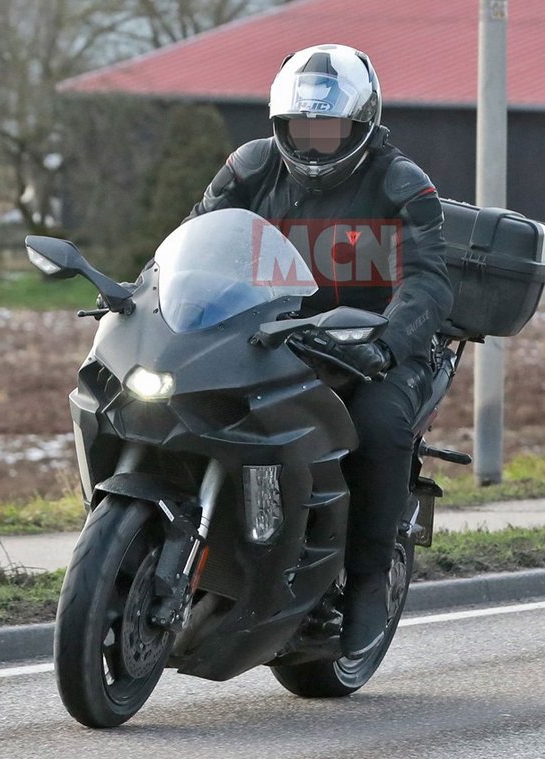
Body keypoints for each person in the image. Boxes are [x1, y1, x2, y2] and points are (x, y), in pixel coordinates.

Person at [187, 43, 453, 658]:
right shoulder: (252, 167)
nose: (311, 144)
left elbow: (428, 281)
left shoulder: (399, 182)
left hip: (371, 347)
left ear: (361, 124)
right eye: (300, 128)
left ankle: (366, 582)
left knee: (379, 426)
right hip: (270, 333)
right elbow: (193, 237)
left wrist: (389, 345)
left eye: (328, 129)